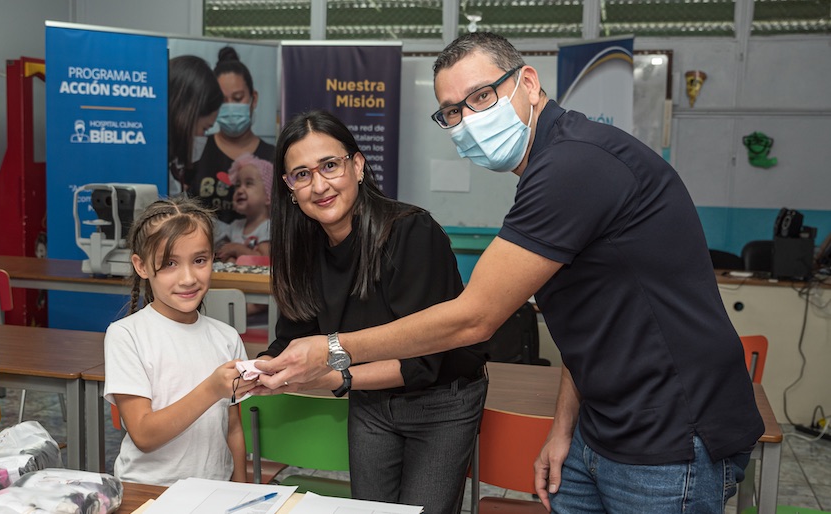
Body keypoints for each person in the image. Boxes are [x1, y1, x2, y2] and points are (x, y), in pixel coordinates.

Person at [256, 33, 765, 514]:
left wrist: (331, 350)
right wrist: (567, 427)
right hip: (602, 427)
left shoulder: (572, 164)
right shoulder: (549, 166)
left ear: (527, 83)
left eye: (480, 97)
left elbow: (473, 320)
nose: (467, 121)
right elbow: (589, 325)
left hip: (669, 435)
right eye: (452, 112)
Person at [254, 110, 489, 514]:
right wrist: (258, 370)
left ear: (358, 166)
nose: (320, 185)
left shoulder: (412, 232)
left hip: (440, 401)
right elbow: (293, 336)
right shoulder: (302, 249)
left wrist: (335, 376)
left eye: (330, 166)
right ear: (290, 188)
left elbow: (425, 362)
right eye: (302, 174)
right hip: (368, 400)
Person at [103, 196, 256, 486]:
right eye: (170, 263)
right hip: (148, 492)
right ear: (142, 266)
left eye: (199, 260)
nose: (188, 278)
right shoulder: (126, 336)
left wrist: (241, 490)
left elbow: (233, 428)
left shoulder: (227, 338)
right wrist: (211, 389)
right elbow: (144, 436)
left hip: (215, 492)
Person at [188, 46, 275, 224]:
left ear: (254, 98)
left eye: (237, 98)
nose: (230, 107)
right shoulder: (198, 150)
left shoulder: (273, 156)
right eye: (221, 100)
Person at [168, 55, 224, 197]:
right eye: (205, 129)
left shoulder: (174, 169)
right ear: (186, 117)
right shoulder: (152, 167)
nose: (203, 138)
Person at [215, 153, 273, 263]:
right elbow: (221, 254)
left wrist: (237, 249)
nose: (240, 190)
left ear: (268, 196)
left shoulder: (268, 228)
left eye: (248, 184)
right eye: (237, 185)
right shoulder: (234, 226)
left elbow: (265, 260)